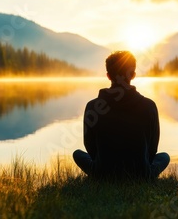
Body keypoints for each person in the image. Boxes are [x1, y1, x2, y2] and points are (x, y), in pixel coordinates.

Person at [73, 51, 170, 180]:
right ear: (133, 75)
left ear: (108, 76)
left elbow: (90, 146)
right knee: (164, 157)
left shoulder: (92, 107)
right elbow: (152, 148)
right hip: (141, 174)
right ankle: (146, 173)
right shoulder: (149, 106)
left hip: (103, 174)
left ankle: (101, 171)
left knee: (77, 154)